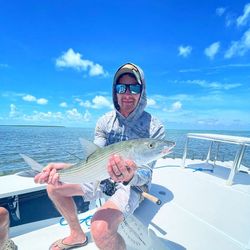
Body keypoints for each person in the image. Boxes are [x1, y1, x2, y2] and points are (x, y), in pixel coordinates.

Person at [34, 62, 165, 250]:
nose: (127, 94)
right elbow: (95, 159)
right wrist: (64, 167)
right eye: (122, 87)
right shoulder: (104, 122)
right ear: (115, 91)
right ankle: (77, 235)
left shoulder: (154, 127)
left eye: (134, 88)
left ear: (142, 91)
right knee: (53, 187)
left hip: (133, 184)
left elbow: (146, 174)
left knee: (100, 229)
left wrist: (129, 176)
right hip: (101, 176)